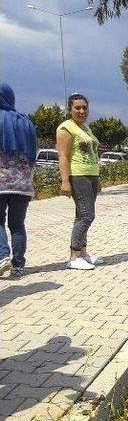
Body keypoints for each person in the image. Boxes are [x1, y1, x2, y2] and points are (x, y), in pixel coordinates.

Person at [56, 93, 101, 270]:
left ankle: (82, 252)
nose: (82, 111)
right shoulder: (66, 128)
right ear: (70, 109)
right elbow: (63, 156)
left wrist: (98, 178)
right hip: (78, 176)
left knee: (81, 215)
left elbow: (93, 154)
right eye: (77, 108)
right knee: (87, 216)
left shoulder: (85, 128)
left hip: (91, 176)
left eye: (84, 107)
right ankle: (74, 257)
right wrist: (65, 181)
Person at [0, 83, 37, 278]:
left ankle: (2, 256)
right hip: (22, 185)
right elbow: (33, 155)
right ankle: (18, 265)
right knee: (17, 225)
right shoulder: (26, 122)